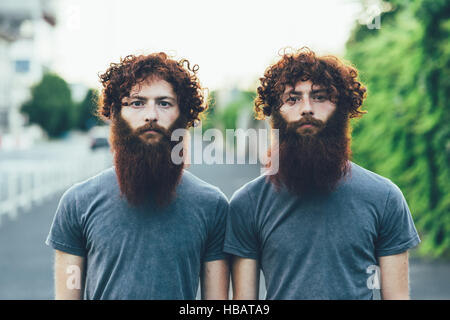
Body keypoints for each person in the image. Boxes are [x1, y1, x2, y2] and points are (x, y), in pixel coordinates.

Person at [224, 47, 420, 300]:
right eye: (292, 99)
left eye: (320, 97)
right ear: (275, 112)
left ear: (341, 108)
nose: (306, 108)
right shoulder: (248, 203)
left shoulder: (384, 198)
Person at [46, 53, 229, 299]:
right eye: (136, 103)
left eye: (164, 103)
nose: (151, 115)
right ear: (116, 113)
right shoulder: (77, 203)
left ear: (183, 114)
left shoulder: (212, 205)